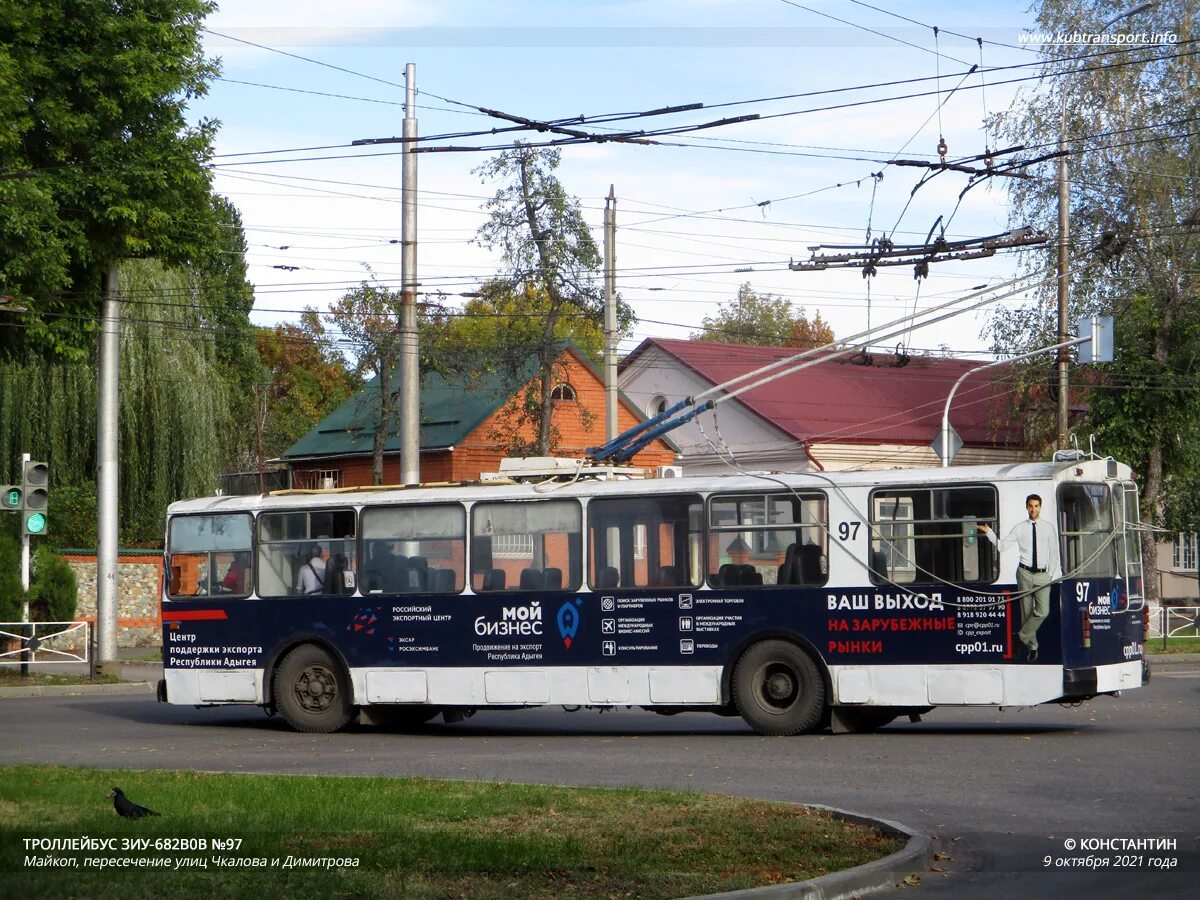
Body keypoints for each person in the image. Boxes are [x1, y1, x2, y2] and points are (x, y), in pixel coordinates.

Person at [978, 494, 1061, 662]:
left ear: (1040, 507)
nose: (1033, 509)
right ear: (1026, 507)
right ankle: (1033, 648)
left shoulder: (1048, 528)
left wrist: (1050, 574)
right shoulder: (1020, 528)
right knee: (1026, 613)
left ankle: (1019, 638)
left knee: (1043, 611)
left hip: (1043, 574)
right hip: (1024, 573)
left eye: (1036, 506)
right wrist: (989, 532)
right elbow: (1002, 547)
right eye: (1030, 506)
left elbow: (1053, 552)